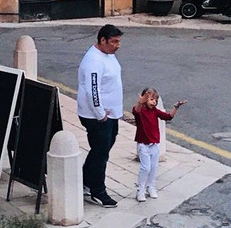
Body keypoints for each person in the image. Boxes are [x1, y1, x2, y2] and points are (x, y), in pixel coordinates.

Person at [76, 24, 123, 207]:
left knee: (100, 150)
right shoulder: (94, 61)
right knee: (101, 153)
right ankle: (98, 191)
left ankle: (85, 180)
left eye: (119, 41)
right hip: (97, 116)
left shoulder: (108, 55)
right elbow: (92, 90)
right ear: (102, 40)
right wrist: (100, 113)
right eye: (114, 41)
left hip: (110, 115)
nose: (117, 45)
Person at [132, 88, 185, 202]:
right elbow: (136, 111)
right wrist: (140, 102)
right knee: (145, 168)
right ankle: (140, 190)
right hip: (143, 144)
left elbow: (168, 116)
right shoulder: (140, 111)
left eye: (155, 100)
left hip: (154, 144)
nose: (154, 102)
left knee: (154, 167)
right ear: (144, 99)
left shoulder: (155, 111)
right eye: (151, 99)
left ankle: (151, 186)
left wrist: (176, 107)